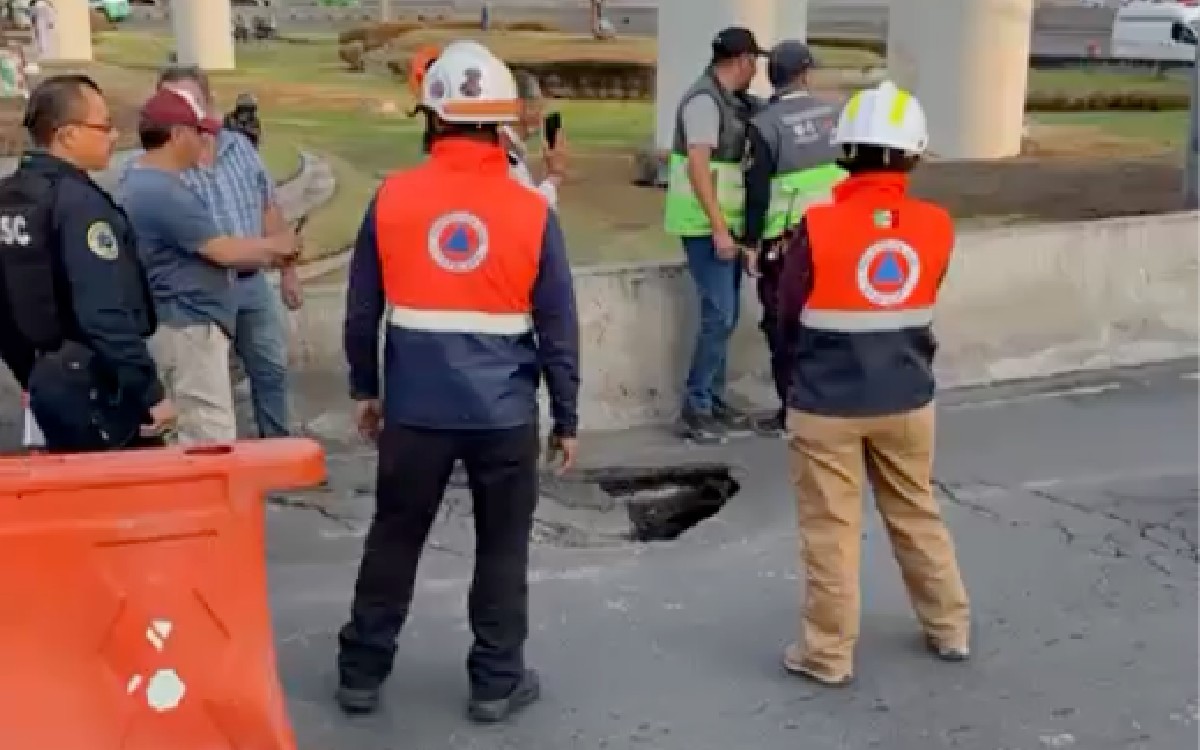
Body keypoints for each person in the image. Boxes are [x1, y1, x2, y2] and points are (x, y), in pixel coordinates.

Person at [336, 42, 580, 722]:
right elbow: (558, 325)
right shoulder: (533, 209)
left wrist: (367, 388)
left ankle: (361, 670)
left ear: (433, 119)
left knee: (394, 536)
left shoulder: (392, 198)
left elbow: (361, 312)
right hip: (503, 414)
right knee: (501, 548)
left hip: (415, 411)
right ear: (500, 125)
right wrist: (567, 417)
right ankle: (496, 681)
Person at [776, 81, 971, 687]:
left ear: (844, 150)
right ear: (913, 153)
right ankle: (950, 628)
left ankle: (828, 654)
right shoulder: (937, 226)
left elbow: (786, 314)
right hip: (907, 395)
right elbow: (924, 294)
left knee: (831, 531)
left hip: (826, 402)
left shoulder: (819, 224)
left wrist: (791, 388)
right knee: (916, 511)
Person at [116, 81, 298, 445]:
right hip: (188, 326)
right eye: (199, 133)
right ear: (178, 134)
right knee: (208, 436)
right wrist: (278, 247)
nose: (205, 141)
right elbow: (221, 250)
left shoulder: (146, 183)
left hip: (185, 321)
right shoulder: (163, 191)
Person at [0, 74, 175, 451]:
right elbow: (102, 309)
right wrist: (149, 391)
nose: (113, 137)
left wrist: (33, 375)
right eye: (104, 126)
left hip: (44, 386)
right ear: (67, 135)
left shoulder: (10, 199)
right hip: (99, 391)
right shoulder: (79, 204)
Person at [663, 26, 766, 445]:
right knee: (719, 314)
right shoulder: (704, 103)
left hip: (724, 227)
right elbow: (698, 168)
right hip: (706, 227)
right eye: (754, 60)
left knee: (726, 316)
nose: (757, 68)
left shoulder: (730, 102)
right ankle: (696, 406)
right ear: (742, 61)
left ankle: (714, 401)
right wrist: (721, 229)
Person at [742, 40, 846, 437]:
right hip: (835, 238)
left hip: (785, 245)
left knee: (782, 325)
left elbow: (757, 193)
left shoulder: (765, 126)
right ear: (805, 74)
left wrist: (750, 244)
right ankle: (830, 402)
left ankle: (793, 409)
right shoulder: (835, 115)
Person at [499, 71, 567, 206]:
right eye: (537, 103)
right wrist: (555, 174)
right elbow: (530, 212)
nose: (542, 111)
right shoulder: (507, 156)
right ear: (522, 106)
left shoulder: (507, 148)